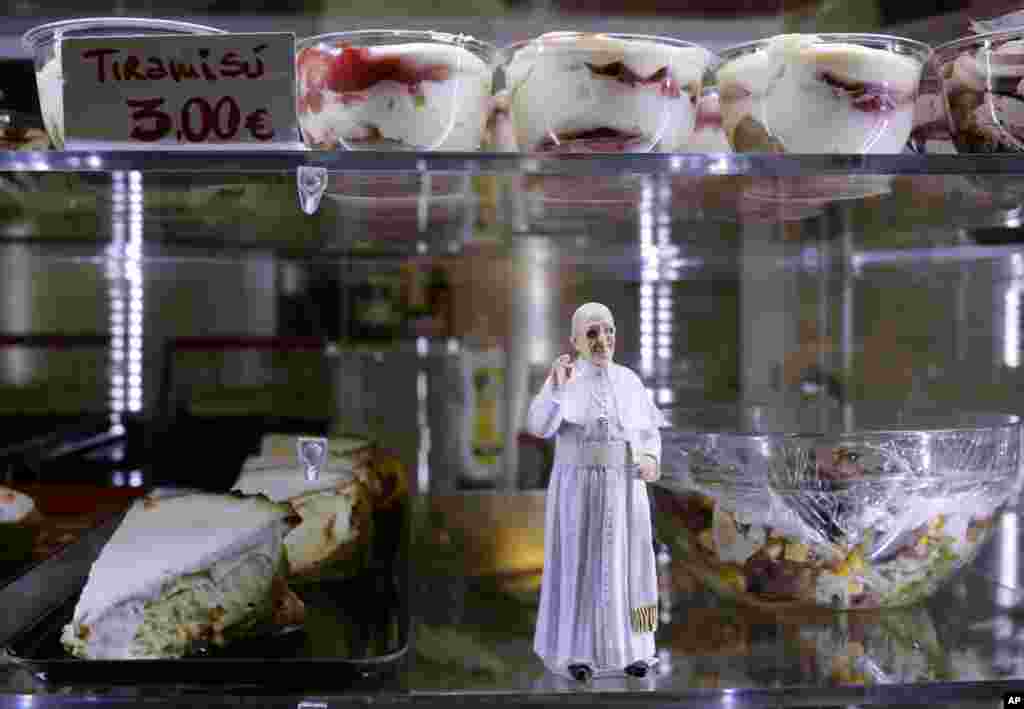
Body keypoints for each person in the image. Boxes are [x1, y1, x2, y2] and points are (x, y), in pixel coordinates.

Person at [527, 302, 666, 682]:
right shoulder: (565, 379)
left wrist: (651, 458)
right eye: (592, 333)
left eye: (608, 331)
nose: (602, 340)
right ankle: (576, 653)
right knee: (579, 569)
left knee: (635, 568)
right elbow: (538, 426)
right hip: (579, 491)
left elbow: (649, 432)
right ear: (575, 341)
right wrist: (556, 386)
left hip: (625, 487)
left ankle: (639, 648)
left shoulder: (630, 381)